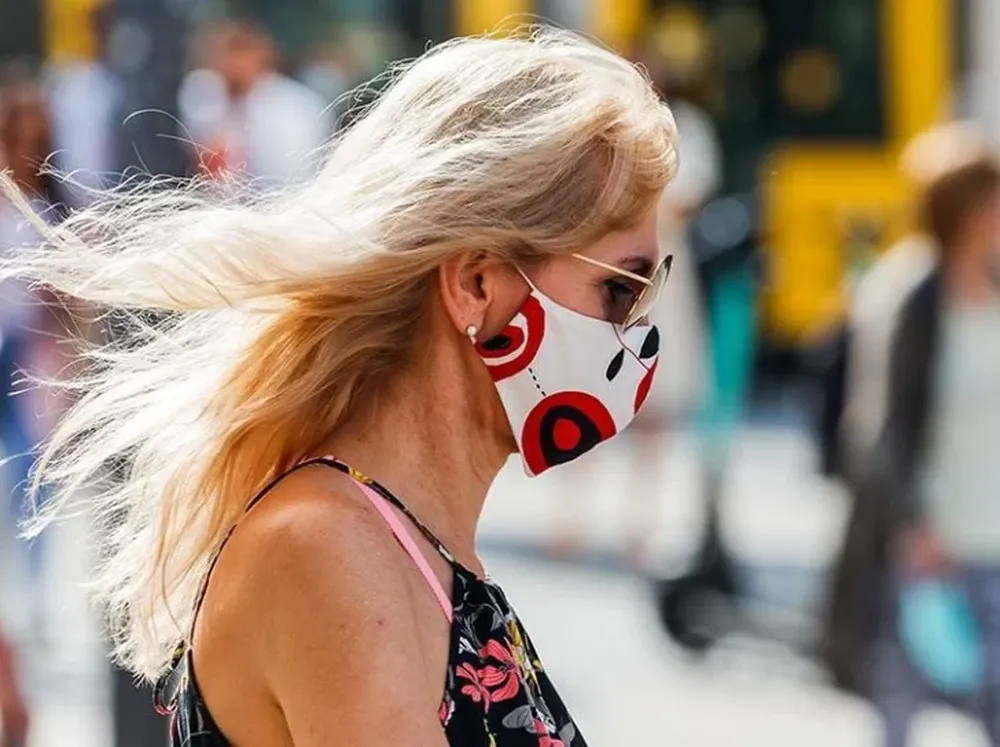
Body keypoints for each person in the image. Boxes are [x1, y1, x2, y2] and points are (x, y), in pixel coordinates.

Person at [1, 30, 678, 746]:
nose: (637, 331)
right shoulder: (329, 549)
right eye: (618, 290)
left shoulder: (404, 540)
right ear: (477, 282)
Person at [824, 123, 1000, 746]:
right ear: (965, 210)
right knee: (901, 710)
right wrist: (912, 528)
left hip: (994, 536)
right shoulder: (908, 294)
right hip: (930, 547)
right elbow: (876, 425)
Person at [178, 18, 330, 184]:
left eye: (242, 52)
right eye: (225, 52)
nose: (233, 63)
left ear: (263, 55)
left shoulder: (296, 108)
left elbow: (294, 176)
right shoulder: (203, 94)